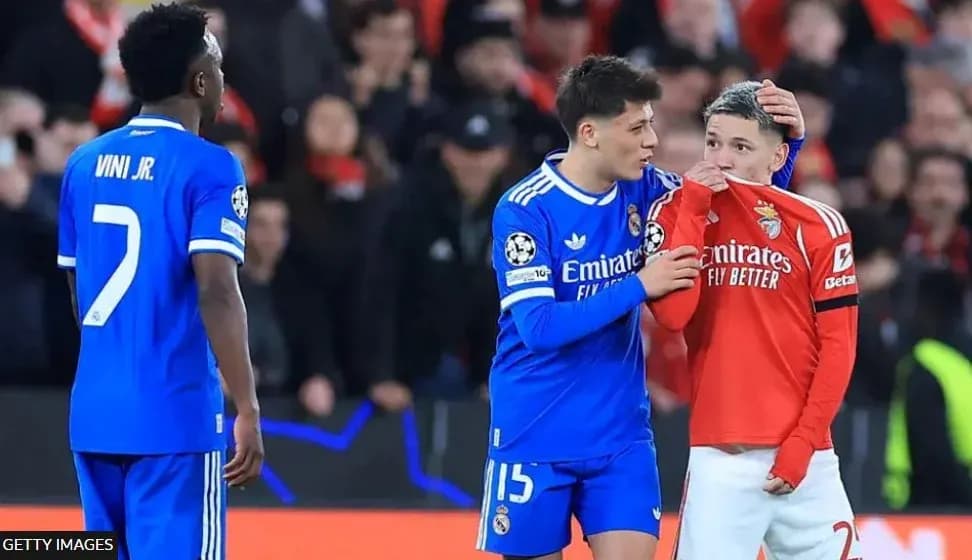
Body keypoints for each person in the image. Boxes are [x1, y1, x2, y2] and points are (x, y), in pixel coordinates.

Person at [476, 56, 804, 560]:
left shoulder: (648, 191)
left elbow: (750, 221)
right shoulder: (525, 208)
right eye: (637, 127)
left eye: (652, 123)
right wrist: (639, 284)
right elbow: (539, 327)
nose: (653, 140)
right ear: (589, 132)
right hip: (534, 431)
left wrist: (788, 146)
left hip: (620, 436)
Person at [56, 4, 264, 559]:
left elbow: (79, 290)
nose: (223, 78)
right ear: (200, 81)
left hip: (96, 414)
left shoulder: (83, 163)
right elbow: (217, 289)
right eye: (217, 66)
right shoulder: (211, 167)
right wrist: (245, 405)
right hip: (174, 416)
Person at [646, 81, 861, 559]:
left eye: (741, 147)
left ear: (778, 157)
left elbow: (840, 346)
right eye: (714, 142)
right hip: (720, 462)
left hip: (808, 460)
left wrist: (804, 443)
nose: (721, 159)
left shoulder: (820, 225)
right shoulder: (676, 212)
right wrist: (695, 208)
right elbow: (673, 317)